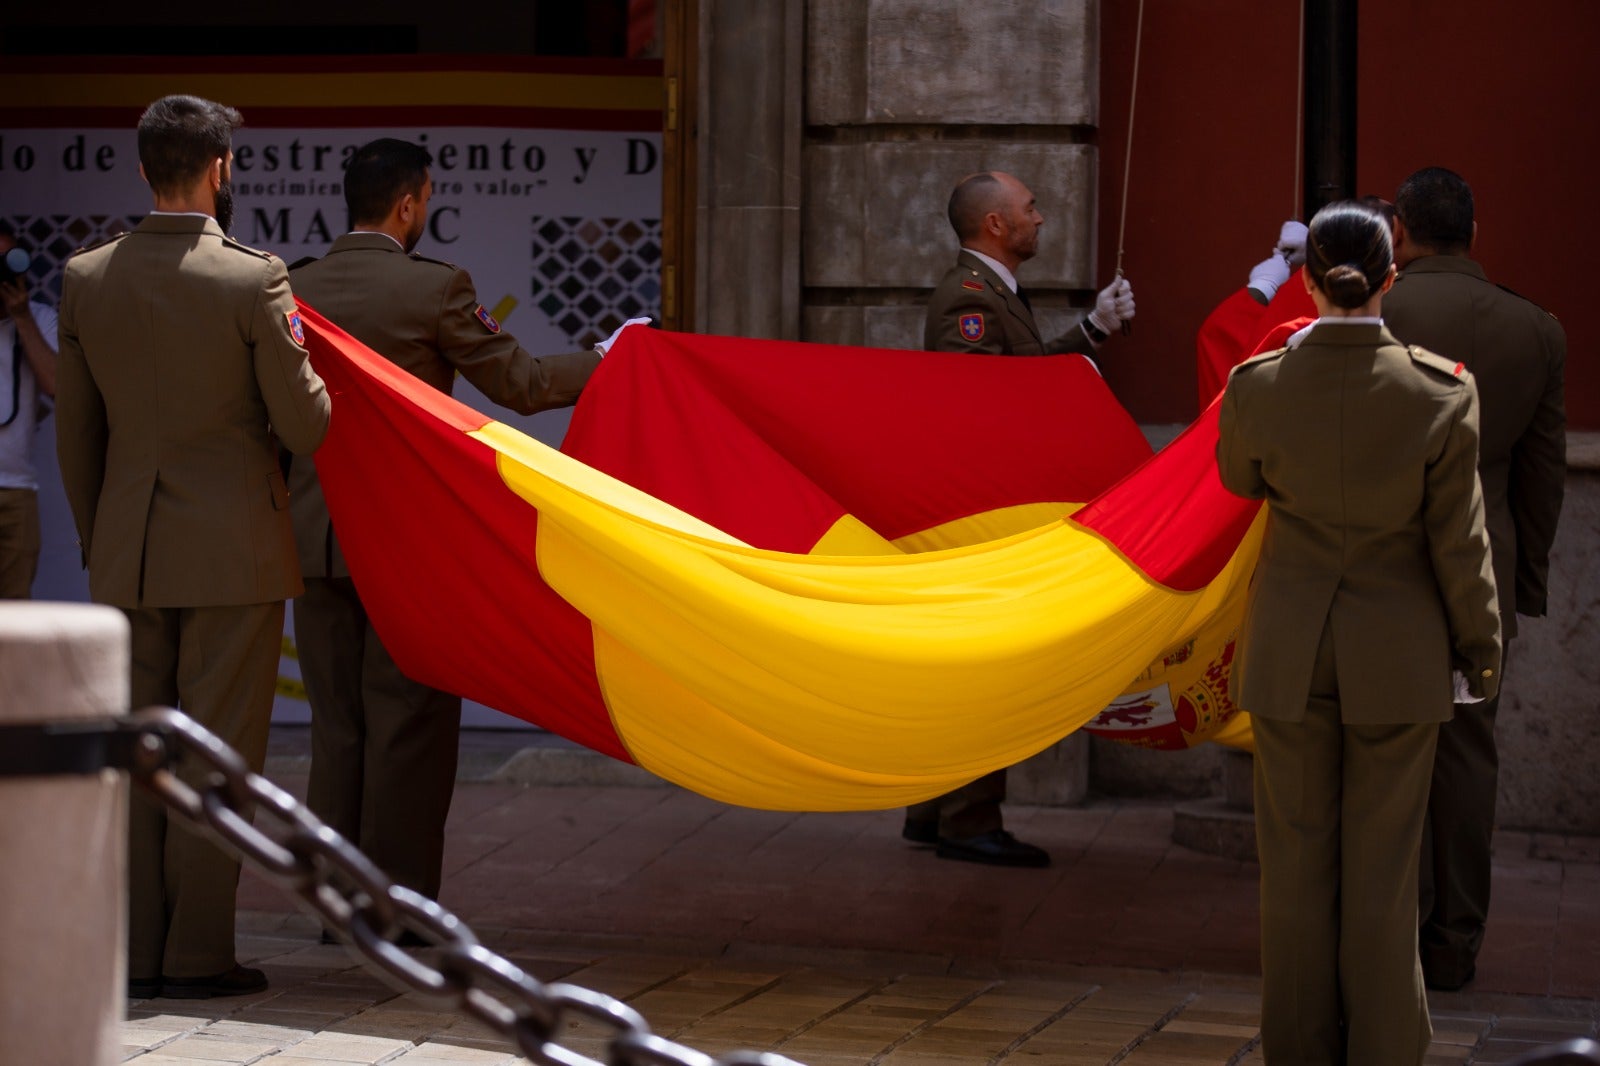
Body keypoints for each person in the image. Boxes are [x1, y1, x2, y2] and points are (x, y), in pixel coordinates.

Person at [287, 137, 625, 920]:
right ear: (410, 205)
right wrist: (610, 355)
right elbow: (528, 385)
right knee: (408, 727)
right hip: (406, 546)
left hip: (314, 537)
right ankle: (397, 913)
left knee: (338, 730)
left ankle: (338, 908)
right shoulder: (434, 289)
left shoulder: (292, 288)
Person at [56, 94, 331, 999]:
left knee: (135, 755)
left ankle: (133, 952)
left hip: (128, 546)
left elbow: (78, 435)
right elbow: (306, 423)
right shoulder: (255, 278)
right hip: (234, 551)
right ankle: (197, 954)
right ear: (221, 169)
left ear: (143, 169)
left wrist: (106, 541)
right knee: (216, 756)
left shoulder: (86, 276)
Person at [1217, 200, 1501, 1066]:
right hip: (1399, 654)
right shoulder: (1440, 386)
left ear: (1307, 279)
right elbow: (1461, 540)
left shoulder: (1259, 383)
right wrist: (1481, 645)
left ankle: (1298, 1053)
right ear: (1392, 276)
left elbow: (1237, 477)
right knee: (1383, 879)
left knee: (1295, 875)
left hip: (1293, 650)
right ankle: (1385, 1052)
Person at [909, 170, 1136, 868]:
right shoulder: (967, 300)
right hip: (981, 517)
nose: (1041, 218)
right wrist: (1087, 341)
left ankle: (932, 811)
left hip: (990, 508)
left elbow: (1018, 373)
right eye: (1029, 209)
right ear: (996, 227)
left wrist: (1090, 333)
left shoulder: (991, 293)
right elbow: (989, 400)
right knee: (985, 669)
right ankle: (967, 819)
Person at [1381, 166, 1567, 993]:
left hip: (1377, 568)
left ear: (1400, 232)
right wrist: (1525, 586)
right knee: (1464, 757)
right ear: (1475, 234)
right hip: (1480, 570)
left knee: (1380, 753)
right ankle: (1452, 944)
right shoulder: (1536, 329)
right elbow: (1543, 474)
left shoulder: (1374, 316)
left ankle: (1381, 935)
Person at [0, 225, 58, 598]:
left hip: (15, 492)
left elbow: (59, 388)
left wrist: (21, 318)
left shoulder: (40, 318)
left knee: (13, 622)